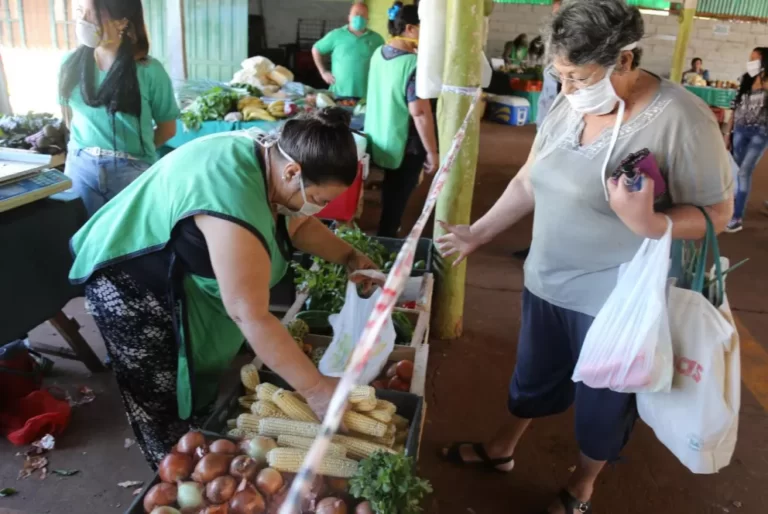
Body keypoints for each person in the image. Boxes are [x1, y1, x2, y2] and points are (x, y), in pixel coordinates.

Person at [436, 1, 734, 513]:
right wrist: (476, 234)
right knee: (532, 377)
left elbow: (719, 213)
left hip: (616, 302)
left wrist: (651, 223)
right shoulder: (568, 105)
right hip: (547, 282)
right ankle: (504, 448)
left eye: (577, 76)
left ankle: (582, 485)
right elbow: (530, 178)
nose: (568, 88)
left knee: (602, 408)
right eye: (560, 75)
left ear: (624, 59)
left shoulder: (681, 118)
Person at [68, 108, 377, 468]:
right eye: (321, 200)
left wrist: (350, 256)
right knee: (160, 397)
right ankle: (172, 472)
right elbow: (250, 315)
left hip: (174, 270)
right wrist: (316, 390)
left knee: (193, 391)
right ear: (293, 172)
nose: (318, 210)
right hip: (128, 276)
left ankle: (199, 441)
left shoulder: (273, 157)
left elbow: (297, 222)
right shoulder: (231, 192)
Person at [59, 0, 179, 218]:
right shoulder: (69, 65)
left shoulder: (149, 70)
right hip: (80, 167)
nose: (83, 21)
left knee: (133, 245)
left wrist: (132, 153)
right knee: (82, 241)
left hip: (131, 170)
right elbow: (69, 118)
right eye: (80, 12)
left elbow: (168, 129)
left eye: (92, 14)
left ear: (122, 21)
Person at [365, 2, 439, 238]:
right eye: (423, 27)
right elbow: (419, 113)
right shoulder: (413, 65)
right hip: (406, 142)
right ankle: (387, 237)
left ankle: (388, 228)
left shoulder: (379, 53)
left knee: (391, 187)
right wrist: (432, 151)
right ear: (410, 29)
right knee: (399, 194)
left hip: (380, 134)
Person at [723, 47, 768, 233]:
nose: (751, 62)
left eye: (755, 59)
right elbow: (735, 106)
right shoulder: (745, 79)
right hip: (740, 130)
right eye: (750, 58)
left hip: (760, 132)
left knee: (744, 173)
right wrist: (728, 132)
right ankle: (729, 208)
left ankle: (737, 217)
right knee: (735, 171)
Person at [312, 2, 385, 99]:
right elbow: (316, 49)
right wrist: (323, 72)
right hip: (338, 94)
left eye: (363, 15)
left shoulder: (377, 39)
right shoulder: (336, 35)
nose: (359, 17)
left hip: (366, 95)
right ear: (349, 17)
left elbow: (384, 61)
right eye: (356, 14)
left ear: (368, 19)